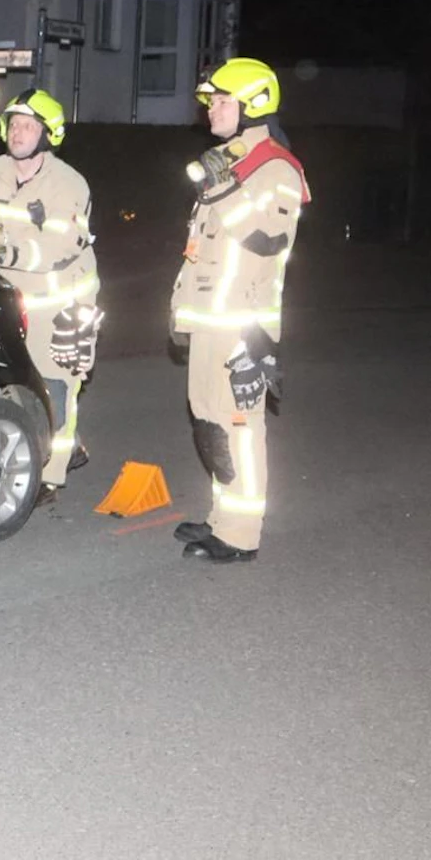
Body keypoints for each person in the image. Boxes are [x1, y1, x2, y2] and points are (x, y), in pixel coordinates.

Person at [170, 58, 309, 564]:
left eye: (223, 101)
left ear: (254, 106)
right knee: (210, 424)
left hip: (242, 324)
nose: (212, 110)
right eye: (211, 101)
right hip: (210, 321)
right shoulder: (225, 161)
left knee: (240, 429)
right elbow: (200, 248)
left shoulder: (275, 167)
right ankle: (221, 517)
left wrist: (226, 189)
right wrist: (180, 310)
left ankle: (241, 533)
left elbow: (268, 241)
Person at [0, 89, 99, 494]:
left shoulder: (68, 183)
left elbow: (61, 245)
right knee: (8, 381)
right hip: (10, 298)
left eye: (28, 126)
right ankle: (40, 448)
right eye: (13, 125)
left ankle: (52, 476)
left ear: (48, 134)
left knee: (55, 384)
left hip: (61, 300)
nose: (17, 133)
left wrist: (8, 250)